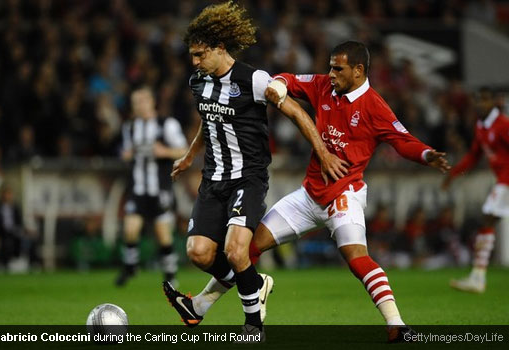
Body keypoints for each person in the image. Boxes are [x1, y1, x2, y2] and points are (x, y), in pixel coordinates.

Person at [168, 41, 450, 343]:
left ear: (358, 71)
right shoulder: (323, 87)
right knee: (242, 252)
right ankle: (199, 304)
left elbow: (402, 139)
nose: (330, 74)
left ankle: (397, 324)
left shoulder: (374, 107)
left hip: (344, 195)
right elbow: (290, 79)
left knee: (356, 259)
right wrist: (277, 84)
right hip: (308, 197)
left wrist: (426, 155)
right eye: (329, 66)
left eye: (337, 68)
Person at [162, 1, 347, 338]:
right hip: (212, 178)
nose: (195, 61)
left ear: (220, 49)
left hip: (248, 178)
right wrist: (190, 156)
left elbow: (297, 114)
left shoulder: (255, 79)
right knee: (198, 253)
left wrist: (322, 152)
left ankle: (253, 326)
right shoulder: (197, 82)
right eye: (192, 55)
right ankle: (254, 283)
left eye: (200, 54)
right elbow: (209, 120)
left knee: (235, 251)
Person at [115, 86, 188, 286]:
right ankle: (130, 268)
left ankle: (170, 274)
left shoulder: (167, 124)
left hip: (160, 188)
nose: (138, 106)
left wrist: (164, 151)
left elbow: (183, 149)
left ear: (151, 102)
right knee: (130, 229)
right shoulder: (130, 127)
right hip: (137, 188)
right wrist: (126, 155)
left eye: (141, 101)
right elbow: (126, 151)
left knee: (163, 235)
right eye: (135, 103)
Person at [444, 87, 509, 293]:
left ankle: (478, 277)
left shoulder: (503, 125)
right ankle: (477, 276)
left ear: (494, 103)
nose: (481, 104)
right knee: (488, 218)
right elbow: (474, 155)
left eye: (485, 100)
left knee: (488, 216)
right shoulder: (481, 126)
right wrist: (453, 174)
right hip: (503, 181)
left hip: (506, 180)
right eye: (478, 100)